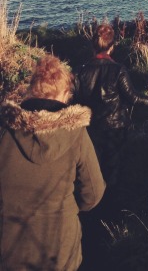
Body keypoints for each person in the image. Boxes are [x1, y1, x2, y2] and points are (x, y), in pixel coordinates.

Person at [0, 55, 105, 271]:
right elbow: (93, 194)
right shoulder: (76, 134)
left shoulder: (4, 131)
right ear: (65, 94)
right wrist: (68, 208)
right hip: (61, 248)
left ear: (31, 90)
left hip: (9, 248)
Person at [74, 23, 148, 187]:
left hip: (91, 129)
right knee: (113, 169)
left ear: (93, 46)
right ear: (112, 46)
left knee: (93, 169)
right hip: (116, 129)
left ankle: (95, 203)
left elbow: (76, 102)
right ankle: (112, 201)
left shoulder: (81, 71)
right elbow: (134, 98)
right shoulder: (119, 70)